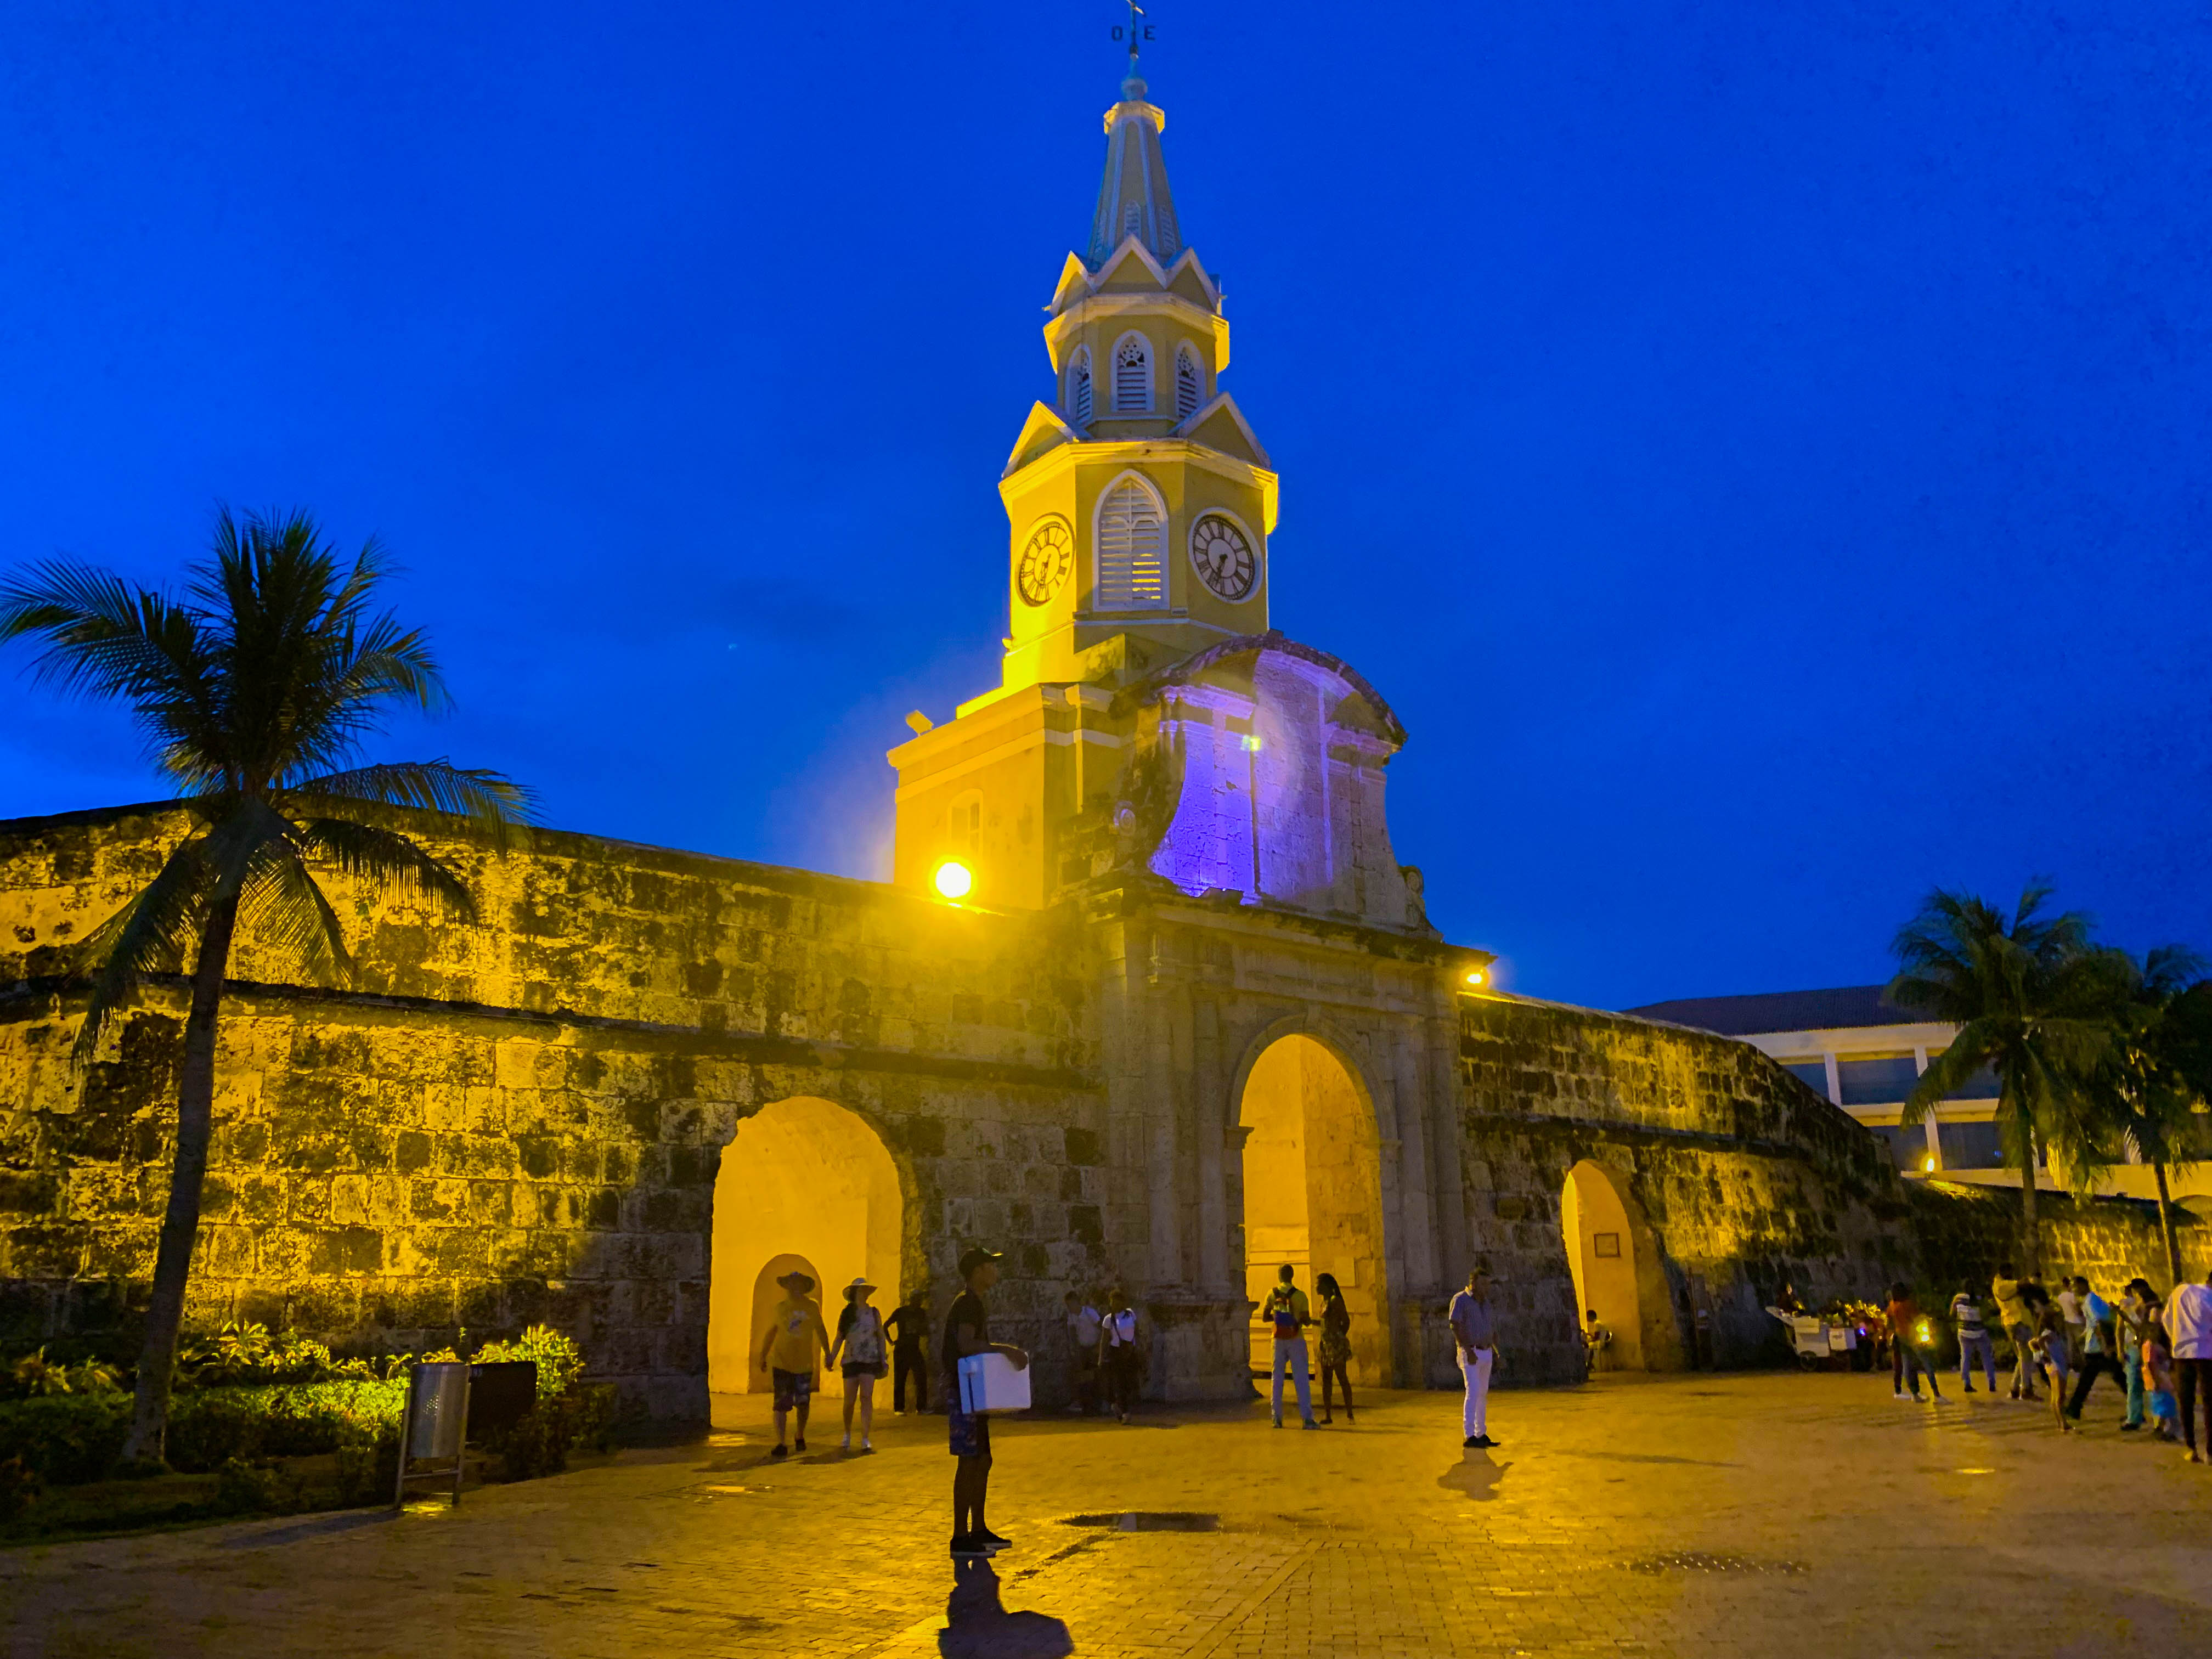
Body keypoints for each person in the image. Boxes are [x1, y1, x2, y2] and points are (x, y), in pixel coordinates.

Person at [945, 1245, 1029, 1558]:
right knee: (969, 1461)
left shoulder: (974, 1303)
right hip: (964, 1392)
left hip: (974, 1393)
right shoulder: (968, 1304)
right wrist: (1006, 1350)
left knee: (982, 1460)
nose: (995, 1271)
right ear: (978, 1271)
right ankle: (960, 1535)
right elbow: (966, 1345)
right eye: (990, 1266)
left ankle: (978, 1529)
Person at [758, 1268, 831, 1460]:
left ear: (804, 1287)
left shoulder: (812, 1307)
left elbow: (821, 1330)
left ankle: (800, 1434)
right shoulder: (780, 1308)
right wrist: (763, 1355)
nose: (793, 1287)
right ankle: (781, 1442)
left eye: (797, 1284)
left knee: (803, 1403)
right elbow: (771, 1332)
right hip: (782, 1362)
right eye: (790, 1284)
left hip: (804, 1364)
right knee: (780, 1404)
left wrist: (828, 1353)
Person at [826, 1276, 888, 1453]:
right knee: (849, 1400)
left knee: (866, 1398)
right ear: (855, 1293)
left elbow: (880, 1336)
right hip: (851, 1360)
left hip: (869, 1360)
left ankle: (865, 1437)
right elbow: (840, 1337)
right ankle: (847, 1433)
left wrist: (883, 1359)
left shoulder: (874, 1313)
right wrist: (832, 1356)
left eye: (866, 1291)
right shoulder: (847, 1314)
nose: (864, 1294)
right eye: (861, 1290)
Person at [2164, 1266, 2212, 1464]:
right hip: (2206, 1354)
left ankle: (2190, 1447)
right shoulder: (2209, 1299)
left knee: (2186, 1401)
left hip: (2181, 1354)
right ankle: (2210, 1452)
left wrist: (2177, 1340)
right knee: (2209, 1402)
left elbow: (2166, 1320)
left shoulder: (2180, 1291)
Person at [1449, 1263, 1500, 1450]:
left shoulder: (1486, 1304)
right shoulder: (1461, 1300)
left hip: (1486, 1351)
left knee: (1482, 1393)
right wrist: (1468, 1351)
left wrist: (1497, 1352)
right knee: (1473, 1391)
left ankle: (1481, 1432)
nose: (1487, 1289)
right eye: (1484, 1284)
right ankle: (1469, 1434)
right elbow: (1455, 1325)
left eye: (1488, 1285)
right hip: (1470, 1352)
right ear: (1474, 1283)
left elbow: (1491, 1328)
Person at [1262, 1266, 1318, 1429]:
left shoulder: (1272, 1294)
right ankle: (1307, 1419)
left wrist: (1278, 1317)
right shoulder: (1300, 1296)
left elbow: (1266, 1317)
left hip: (1277, 1339)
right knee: (1301, 1378)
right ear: (1292, 1276)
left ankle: (1276, 1419)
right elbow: (1305, 1320)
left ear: (1279, 1276)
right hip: (1296, 1339)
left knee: (1277, 1378)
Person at [2064, 1276, 2123, 1421]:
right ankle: (2074, 1408)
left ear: (2084, 1285)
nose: (2073, 1290)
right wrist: (2084, 1336)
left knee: (2088, 1379)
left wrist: (2105, 1346)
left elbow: (2099, 1324)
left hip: (2097, 1348)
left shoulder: (2091, 1301)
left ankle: (2074, 1408)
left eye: (2075, 1286)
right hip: (2097, 1346)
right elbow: (2093, 1323)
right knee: (2118, 1376)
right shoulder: (2091, 1300)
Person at [1886, 1282, 1942, 1403]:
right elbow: (1917, 1319)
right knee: (1927, 1363)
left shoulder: (1892, 1305)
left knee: (1908, 1367)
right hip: (1913, 1337)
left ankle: (1915, 1394)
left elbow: (1889, 1320)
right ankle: (1936, 1393)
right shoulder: (1908, 1304)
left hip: (1901, 1338)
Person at [2115, 1279, 2158, 1432]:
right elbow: (2119, 1330)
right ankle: (2134, 1417)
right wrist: (2120, 1350)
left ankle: (2158, 1420)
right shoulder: (2126, 1308)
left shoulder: (2151, 1309)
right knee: (2133, 1384)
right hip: (2132, 1349)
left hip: (2146, 1348)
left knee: (2153, 1384)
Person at [2028, 1291, 2073, 1434]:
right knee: (2059, 1397)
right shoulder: (2049, 1333)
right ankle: (2063, 1424)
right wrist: (2046, 1354)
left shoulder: (2047, 1333)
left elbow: (2033, 1342)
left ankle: (2061, 1423)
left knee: (2056, 1397)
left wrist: (2042, 1355)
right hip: (2057, 1366)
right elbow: (2039, 1342)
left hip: (2052, 1366)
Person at [1991, 1265, 2038, 1402]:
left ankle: (2015, 1388)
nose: (2012, 1275)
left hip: (2017, 1322)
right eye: (2010, 1272)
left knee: (2024, 1357)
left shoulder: (2004, 1284)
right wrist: (2031, 1279)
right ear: (2004, 1272)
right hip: (2016, 1322)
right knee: (2026, 1355)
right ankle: (2026, 1389)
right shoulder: (2002, 1285)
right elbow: (2022, 1284)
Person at [1314, 1272, 1354, 1424]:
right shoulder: (1324, 1302)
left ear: (1326, 1285)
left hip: (1335, 1344)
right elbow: (1325, 1323)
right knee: (1326, 1380)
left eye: (1319, 1284)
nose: (1316, 1287)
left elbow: (1346, 1321)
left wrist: (1339, 1337)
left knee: (1342, 1378)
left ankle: (1350, 1413)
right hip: (1325, 1344)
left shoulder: (1335, 1301)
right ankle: (1328, 1415)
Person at [885, 1293, 932, 1415]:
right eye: (917, 1299)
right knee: (900, 1378)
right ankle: (899, 1408)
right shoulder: (901, 1312)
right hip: (902, 1349)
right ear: (912, 1300)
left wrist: (921, 1329)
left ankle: (921, 1407)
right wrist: (890, 1342)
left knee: (921, 1377)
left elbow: (926, 1332)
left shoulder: (921, 1313)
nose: (919, 1302)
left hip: (914, 1349)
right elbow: (885, 1326)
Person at [1100, 1288, 1141, 1423]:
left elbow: (1137, 1330)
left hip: (1129, 1351)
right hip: (1116, 1352)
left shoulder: (1130, 1314)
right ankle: (1125, 1412)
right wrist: (1101, 1357)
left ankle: (1118, 1406)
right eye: (1113, 1302)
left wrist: (1138, 1346)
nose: (1115, 1305)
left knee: (1130, 1383)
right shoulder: (1108, 1319)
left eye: (1117, 1302)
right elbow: (1104, 1339)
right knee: (1120, 1383)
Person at [1950, 1282, 1996, 1393]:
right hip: (1980, 1333)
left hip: (1964, 1332)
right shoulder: (1980, 1300)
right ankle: (1991, 1383)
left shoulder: (1958, 1298)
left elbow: (1952, 1314)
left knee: (1965, 1358)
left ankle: (1967, 1383)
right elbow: (1987, 1315)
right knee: (1987, 1358)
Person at [1064, 1291, 1102, 1415]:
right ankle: (1080, 1402)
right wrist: (1075, 1348)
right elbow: (1073, 1333)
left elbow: (1102, 1327)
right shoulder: (1072, 1317)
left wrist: (1099, 1345)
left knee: (1094, 1374)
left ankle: (1097, 1403)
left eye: (1071, 1305)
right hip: (1083, 1348)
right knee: (1080, 1374)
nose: (1070, 1308)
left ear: (1077, 1303)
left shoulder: (1089, 1313)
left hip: (1094, 1347)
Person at [2145, 1324, 2182, 1443]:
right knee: (2164, 1406)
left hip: (2163, 1379)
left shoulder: (2156, 1346)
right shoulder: (2150, 1346)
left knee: (2167, 1405)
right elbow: (2150, 1364)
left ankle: (2165, 1430)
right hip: (2160, 1379)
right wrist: (2156, 1381)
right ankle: (2162, 1430)